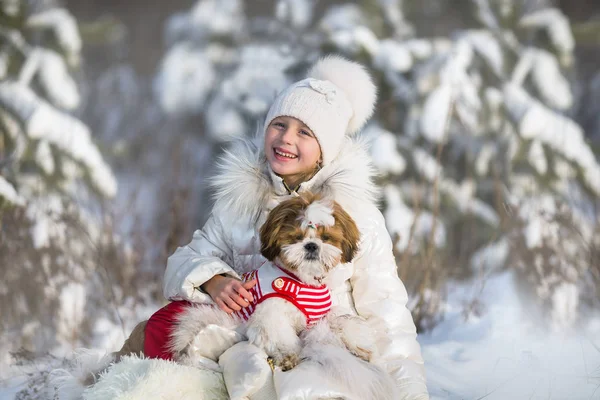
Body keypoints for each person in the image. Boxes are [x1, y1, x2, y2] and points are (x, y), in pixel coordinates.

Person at [162, 55, 429, 399]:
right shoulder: (239, 204)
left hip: (333, 350)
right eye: (279, 124)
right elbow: (183, 262)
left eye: (304, 132)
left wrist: (410, 393)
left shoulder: (356, 215)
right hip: (254, 343)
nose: (286, 138)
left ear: (325, 150)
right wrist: (213, 279)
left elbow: (388, 313)